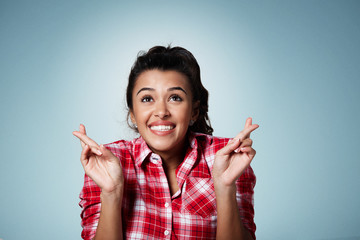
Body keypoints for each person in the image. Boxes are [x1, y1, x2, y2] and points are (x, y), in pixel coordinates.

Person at [73, 45, 259, 240]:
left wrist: (225, 187)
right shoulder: (107, 163)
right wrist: (111, 193)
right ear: (133, 115)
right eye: (147, 98)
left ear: (194, 111)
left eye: (175, 98)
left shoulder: (228, 158)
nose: (161, 111)